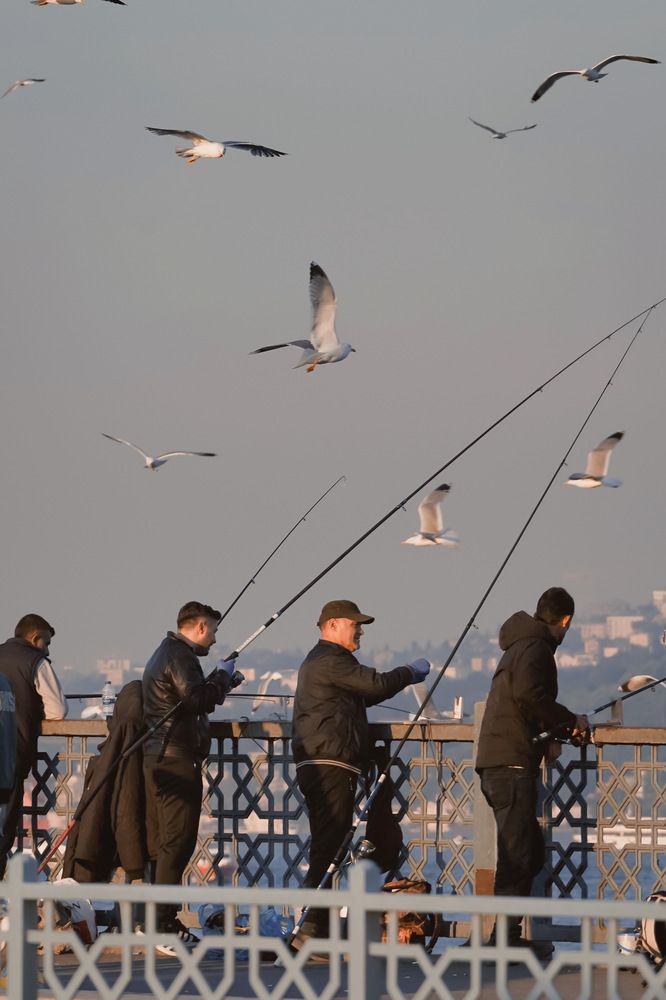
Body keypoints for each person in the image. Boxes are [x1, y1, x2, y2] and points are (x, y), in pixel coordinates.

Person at [291, 599, 431, 945]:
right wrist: (411, 672)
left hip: (325, 761)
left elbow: (360, 695)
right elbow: (376, 685)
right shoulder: (330, 660)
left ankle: (315, 925)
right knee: (328, 845)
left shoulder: (323, 663)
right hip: (330, 762)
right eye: (355, 624)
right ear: (334, 625)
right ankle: (311, 928)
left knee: (331, 843)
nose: (361, 630)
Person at [475, 587, 589, 955]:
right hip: (509, 761)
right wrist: (570, 719)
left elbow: (523, 701)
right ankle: (503, 941)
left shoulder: (519, 646)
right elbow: (529, 694)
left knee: (527, 852)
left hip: (500, 756)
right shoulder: (537, 648)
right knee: (518, 853)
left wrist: (553, 732)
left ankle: (507, 937)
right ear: (566, 620)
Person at [141, 601, 240, 951]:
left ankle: (152, 919)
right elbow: (196, 700)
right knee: (177, 844)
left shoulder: (163, 653)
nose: (213, 638)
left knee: (161, 845)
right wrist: (224, 677)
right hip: (176, 760)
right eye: (212, 630)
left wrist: (219, 682)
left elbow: (185, 698)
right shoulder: (181, 656)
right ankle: (163, 926)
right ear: (198, 627)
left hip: (157, 757)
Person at [0, 614, 67, 878]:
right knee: (3, 834)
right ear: (34, 639)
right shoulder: (35, 662)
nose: (47, 649)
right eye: (46, 643)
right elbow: (58, 710)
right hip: (12, 759)